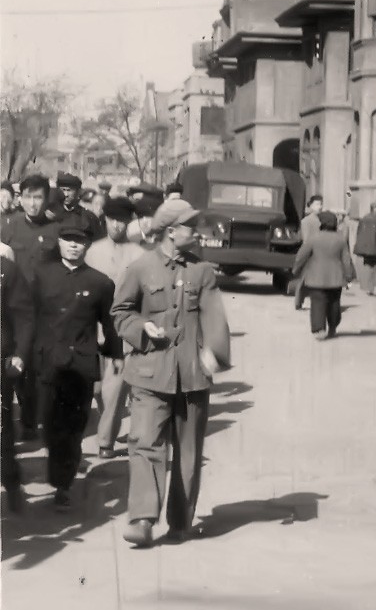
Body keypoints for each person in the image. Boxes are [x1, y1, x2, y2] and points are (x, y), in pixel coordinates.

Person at [111, 198, 230, 547]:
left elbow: (214, 316)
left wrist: (214, 353)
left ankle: (180, 521)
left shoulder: (202, 271)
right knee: (144, 443)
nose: (198, 231)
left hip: (192, 376)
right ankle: (142, 519)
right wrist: (141, 328)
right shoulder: (140, 268)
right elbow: (121, 312)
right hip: (149, 373)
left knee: (188, 453)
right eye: (191, 225)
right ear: (172, 231)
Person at [32, 224, 118, 509]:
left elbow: (109, 323)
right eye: (68, 240)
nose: (73, 245)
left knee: (73, 426)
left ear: (87, 246)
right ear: (59, 242)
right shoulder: (41, 276)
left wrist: (115, 354)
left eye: (79, 241)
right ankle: (61, 467)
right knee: (49, 424)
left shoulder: (100, 283)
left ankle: (63, 485)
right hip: (48, 362)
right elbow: (28, 316)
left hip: (80, 365)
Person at [2, 173, 61, 439]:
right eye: (28, 197)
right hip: (12, 308)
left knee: (36, 367)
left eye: (38, 197)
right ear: (20, 199)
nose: (33, 203)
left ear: (46, 200)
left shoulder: (56, 230)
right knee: (13, 362)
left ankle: (28, 420)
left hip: (43, 309)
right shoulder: (8, 226)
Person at [85, 197, 144, 458]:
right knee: (97, 389)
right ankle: (105, 424)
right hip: (92, 327)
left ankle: (105, 442)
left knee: (115, 388)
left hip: (121, 329)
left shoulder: (140, 255)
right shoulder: (92, 251)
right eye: (112, 220)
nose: (117, 226)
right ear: (105, 220)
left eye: (122, 221)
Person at [1, 256, 34, 512]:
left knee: (2, 431)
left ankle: (11, 482)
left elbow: (23, 315)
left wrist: (20, 353)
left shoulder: (6, 270)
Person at [292, 210, 354, 340]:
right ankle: (333, 326)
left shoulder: (313, 238)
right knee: (334, 303)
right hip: (336, 277)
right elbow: (346, 260)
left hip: (316, 277)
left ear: (321, 223)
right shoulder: (341, 239)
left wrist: (296, 270)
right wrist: (349, 276)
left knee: (317, 303)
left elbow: (301, 256)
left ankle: (319, 328)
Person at [294, 195, 323, 310]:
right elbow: (306, 240)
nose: (320, 207)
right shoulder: (306, 221)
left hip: (320, 253)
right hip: (310, 254)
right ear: (310, 206)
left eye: (321, 204)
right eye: (317, 204)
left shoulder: (322, 220)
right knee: (303, 279)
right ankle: (298, 302)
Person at [56, 172, 103, 241]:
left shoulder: (89, 217)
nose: (66, 194)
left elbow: (99, 242)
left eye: (69, 190)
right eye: (63, 190)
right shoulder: (52, 215)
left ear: (78, 192)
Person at [354, 203, 376, 296]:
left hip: (365, 249)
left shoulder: (363, 218)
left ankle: (369, 288)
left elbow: (359, 232)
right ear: (374, 209)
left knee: (368, 267)